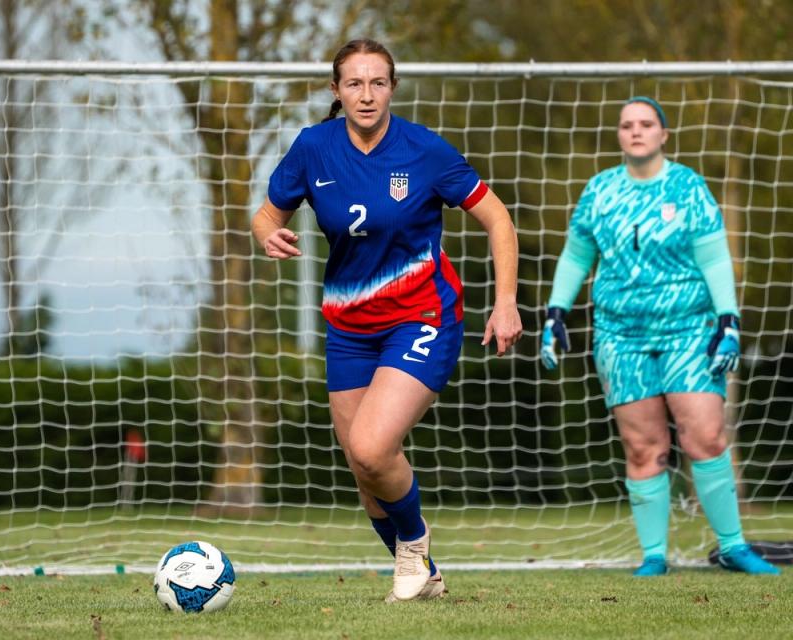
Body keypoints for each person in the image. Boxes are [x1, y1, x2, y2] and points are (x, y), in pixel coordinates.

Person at [251, 39, 522, 601]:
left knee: (373, 447)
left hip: (423, 314)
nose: (367, 95)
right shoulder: (313, 147)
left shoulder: (424, 150)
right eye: (354, 83)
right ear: (336, 90)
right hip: (349, 328)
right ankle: (428, 577)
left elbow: (498, 220)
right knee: (364, 467)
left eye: (378, 83)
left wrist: (505, 302)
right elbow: (266, 215)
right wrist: (267, 235)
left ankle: (414, 546)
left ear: (393, 88)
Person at [541, 96, 779, 576]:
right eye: (627, 124)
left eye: (646, 124)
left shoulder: (688, 188)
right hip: (620, 336)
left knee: (705, 436)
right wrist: (555, 313)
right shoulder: (599, 191)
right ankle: (654, 555)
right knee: (643, 447)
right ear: (619, 134)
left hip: (689, 330)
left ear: (663, 134)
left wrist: (728, 321)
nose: (636, 131)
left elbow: (715, 258)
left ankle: (734, 547)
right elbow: (576, 256)